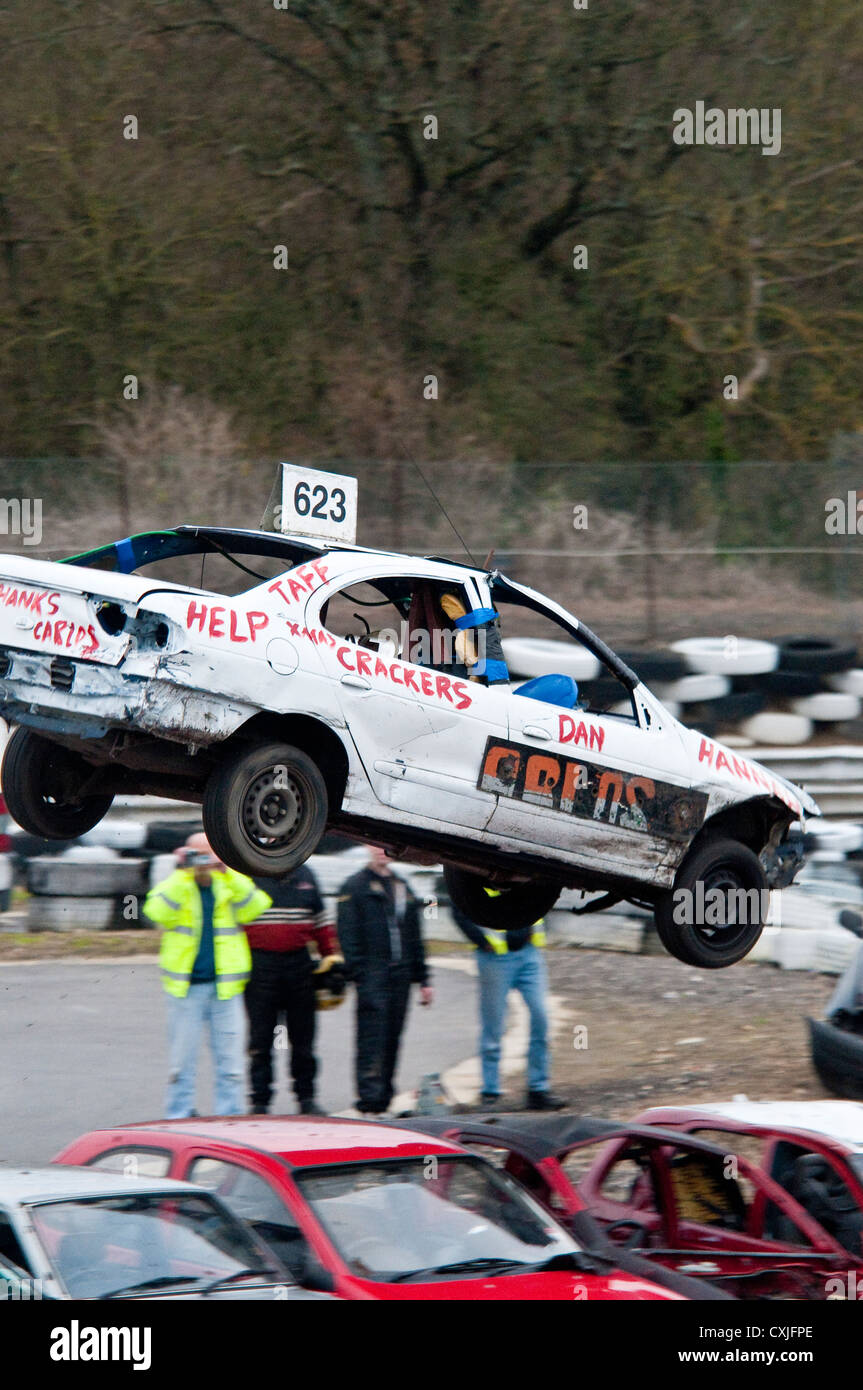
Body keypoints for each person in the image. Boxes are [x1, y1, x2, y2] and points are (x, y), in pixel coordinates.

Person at [143, 832, 271, 1120]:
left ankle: (230, 1120)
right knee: (181, 1063)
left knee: (232, 1065)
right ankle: (178, 1117)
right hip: (186, 989)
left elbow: (256, 906)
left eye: (208, 854)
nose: (203, 861)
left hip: (225, 989)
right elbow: (155, 911)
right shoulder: (178, 884)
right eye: (196, 854)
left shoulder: (228, 883)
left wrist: (227, 870)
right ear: (186, 854)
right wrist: (182, 873)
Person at [337, 845, 433, 1114]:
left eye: (386, 847)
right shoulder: (355, 886)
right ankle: (369, 1101)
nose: (381, 852)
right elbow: (346, 933)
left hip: (400, 976)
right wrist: (358, 973)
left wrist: (423, 978)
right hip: (372, 974)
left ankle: (385, 1100)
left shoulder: (402, 887)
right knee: (372, 1038)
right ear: (367, 847)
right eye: (376, 846)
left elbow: (414, 936)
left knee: (393, 1037)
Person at [244, 865, 343, 1116]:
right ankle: (260, 1101)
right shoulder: (248, 872)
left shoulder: (307, 875)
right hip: (260, 965)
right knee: (261, 1038)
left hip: (299, 964)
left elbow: (322, 924)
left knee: (303, 1039)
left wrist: (331, 959)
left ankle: (306, 1098)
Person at [450, 896, 566, 1111]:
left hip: (529, 954)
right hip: (495, 959)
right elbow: (458, 910)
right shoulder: (476, 872)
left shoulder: (525, 869)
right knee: (493, 1026)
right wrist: (482, 941)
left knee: (541, 1017)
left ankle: (538, 1089)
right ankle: (490, 1092)